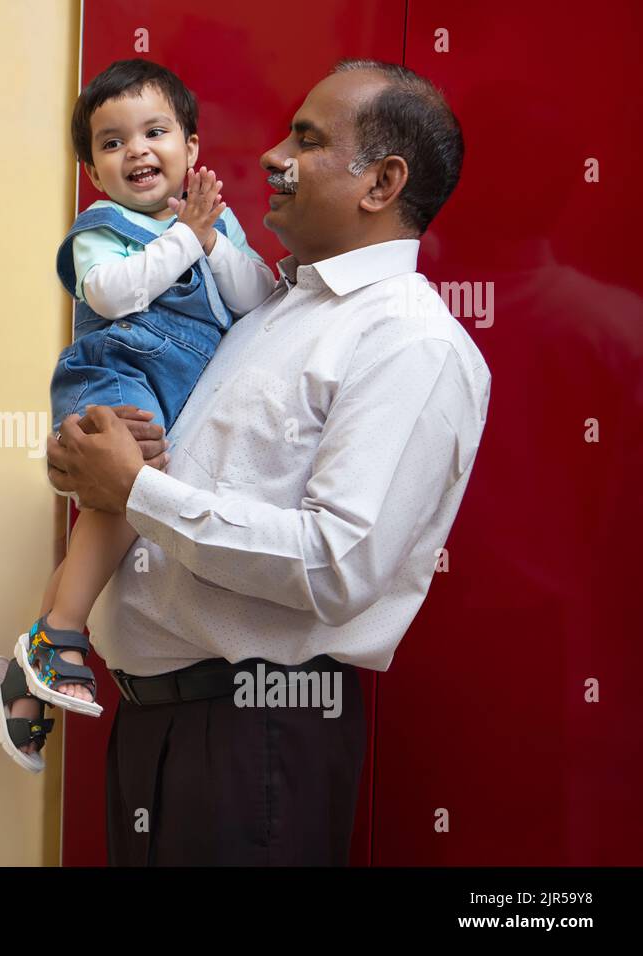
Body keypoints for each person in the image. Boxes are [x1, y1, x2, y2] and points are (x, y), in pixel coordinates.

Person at [42, 59, 490, 864]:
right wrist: (88, 459)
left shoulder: (408, 342)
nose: (272, 157)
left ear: (382, 182)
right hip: (155, 725)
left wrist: (136, 491)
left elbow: (334, 565)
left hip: (257, 736)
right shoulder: (262, 308)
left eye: (308, 139)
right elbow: (167, 455)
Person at [0, 59, 276, 771]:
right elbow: (113, 296)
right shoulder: (100, 227)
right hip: (115, 371)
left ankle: (28, 670)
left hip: (173, 386)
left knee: (122, 502)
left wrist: (209, 238)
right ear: (93, 170)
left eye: (155, 132)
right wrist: (183, 239)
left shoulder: (216, 223)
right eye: (112, 143)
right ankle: (60, 635)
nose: (137, 151)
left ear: (192, 148)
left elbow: (259, 295)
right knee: (121, 492)